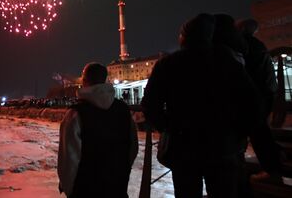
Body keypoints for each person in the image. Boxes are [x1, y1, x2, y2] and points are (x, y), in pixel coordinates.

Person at [142, 13, 260, 198]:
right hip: (222, 146)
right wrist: (236, 133)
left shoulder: (168, 64)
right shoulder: (227, 62)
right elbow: (252, 102)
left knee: (187, 192)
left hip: (184, 148)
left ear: (185, 35)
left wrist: (169, 127)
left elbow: (149, 105)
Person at [58, 63, 138, 198]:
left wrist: (69, 190)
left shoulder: (75, 114)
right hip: (117, 188)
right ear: (105, 79)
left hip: (85, 190)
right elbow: (133, 147)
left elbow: (68, 159)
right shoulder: (123, 110)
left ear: (84, 81)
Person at [236, 18, 282, 184]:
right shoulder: (258, 45)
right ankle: (274, 161)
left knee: (258, 133)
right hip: (265, 94)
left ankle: (271, 168)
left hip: (255, 96)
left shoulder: (243, 46)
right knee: (261, 131)